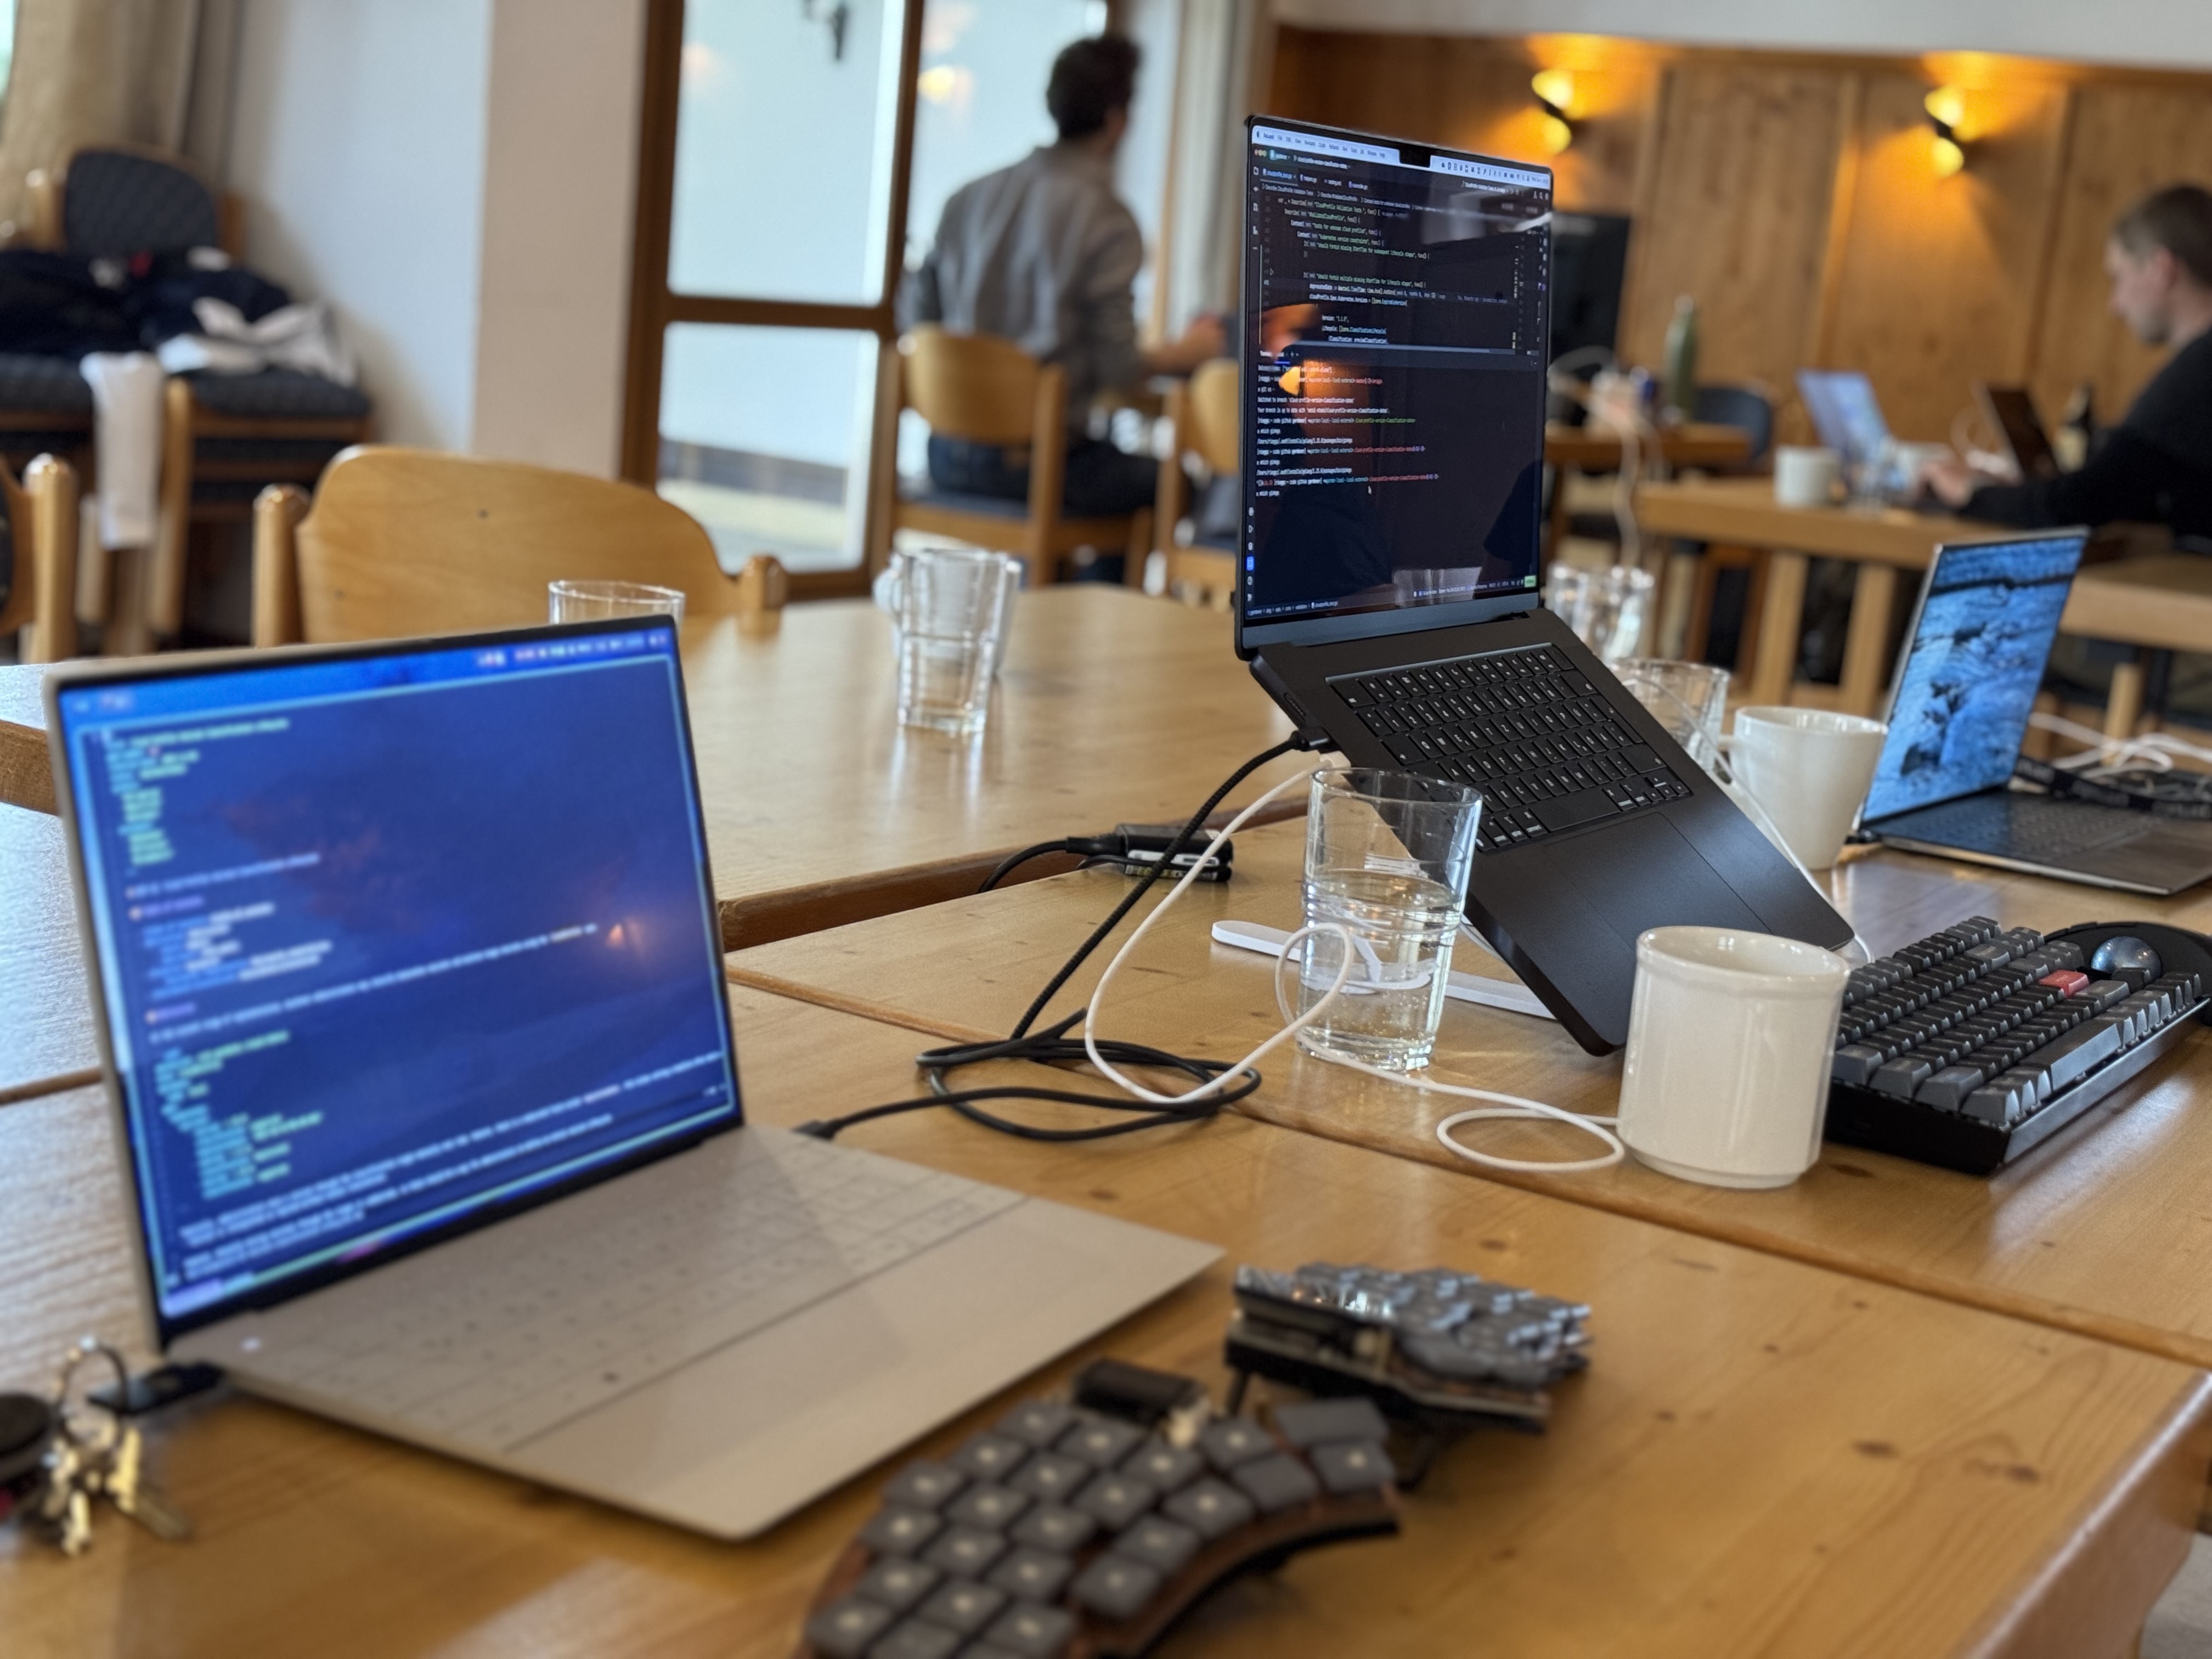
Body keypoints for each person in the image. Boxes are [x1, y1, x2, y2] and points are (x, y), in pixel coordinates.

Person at [903, 35, 1224, 571]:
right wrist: (1183, 353)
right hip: (1035, 466)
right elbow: (1119, 368)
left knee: (1105, 471)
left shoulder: (967, 198)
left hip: (945, 455)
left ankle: (1057, 589)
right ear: (1117, 120)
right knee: (1172, 485)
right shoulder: (1106, 220)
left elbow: (918, 321)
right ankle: (1088, 608)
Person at [1917, 184, 2212, 543]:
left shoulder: (2198, 373)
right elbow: (2133, 490)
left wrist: (1970, 492)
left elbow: (2075, 507)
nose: (2116, 306)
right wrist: (2017, 491)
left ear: (2161, 269)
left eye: (2119, 278)